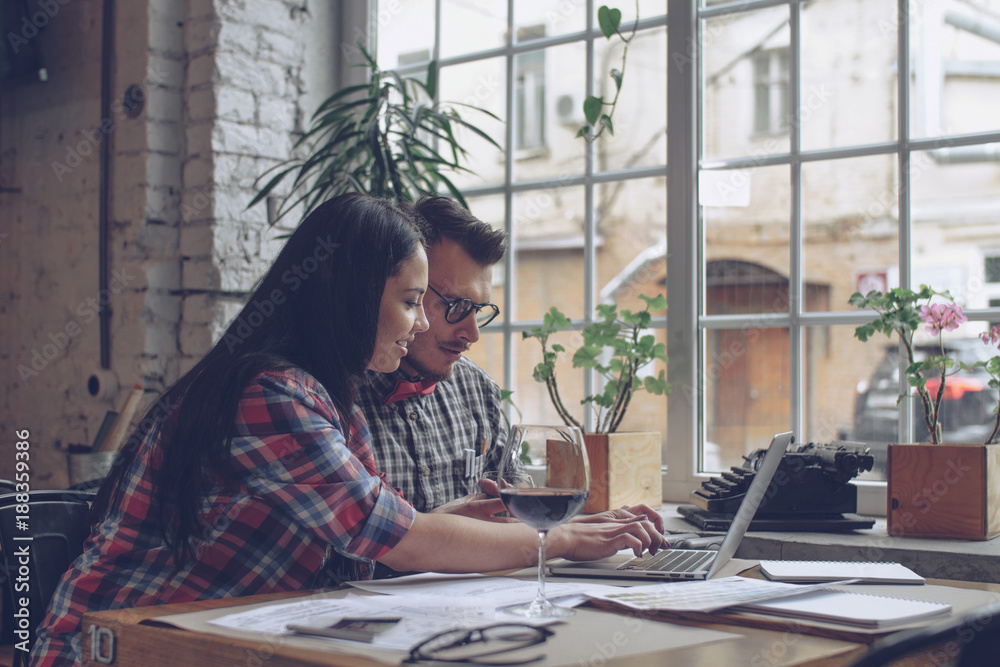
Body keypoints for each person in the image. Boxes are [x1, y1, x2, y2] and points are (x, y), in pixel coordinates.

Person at [31, 194, 664, 666]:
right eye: (414, 301)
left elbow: (363, 541)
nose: (420, 326)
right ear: (351, 294)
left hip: (212, 638)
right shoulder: (270, 392)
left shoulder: (331, 395)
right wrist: (555, 541)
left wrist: (450, 522)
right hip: (112, 646)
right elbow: (399, 538)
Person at [356, 196, 667, 529]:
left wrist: (586, 527)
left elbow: (519, 512)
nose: (472, 333)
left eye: (478, 310)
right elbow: (352, 548)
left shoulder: (476, 390)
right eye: (457, 305)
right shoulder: (331, 396)